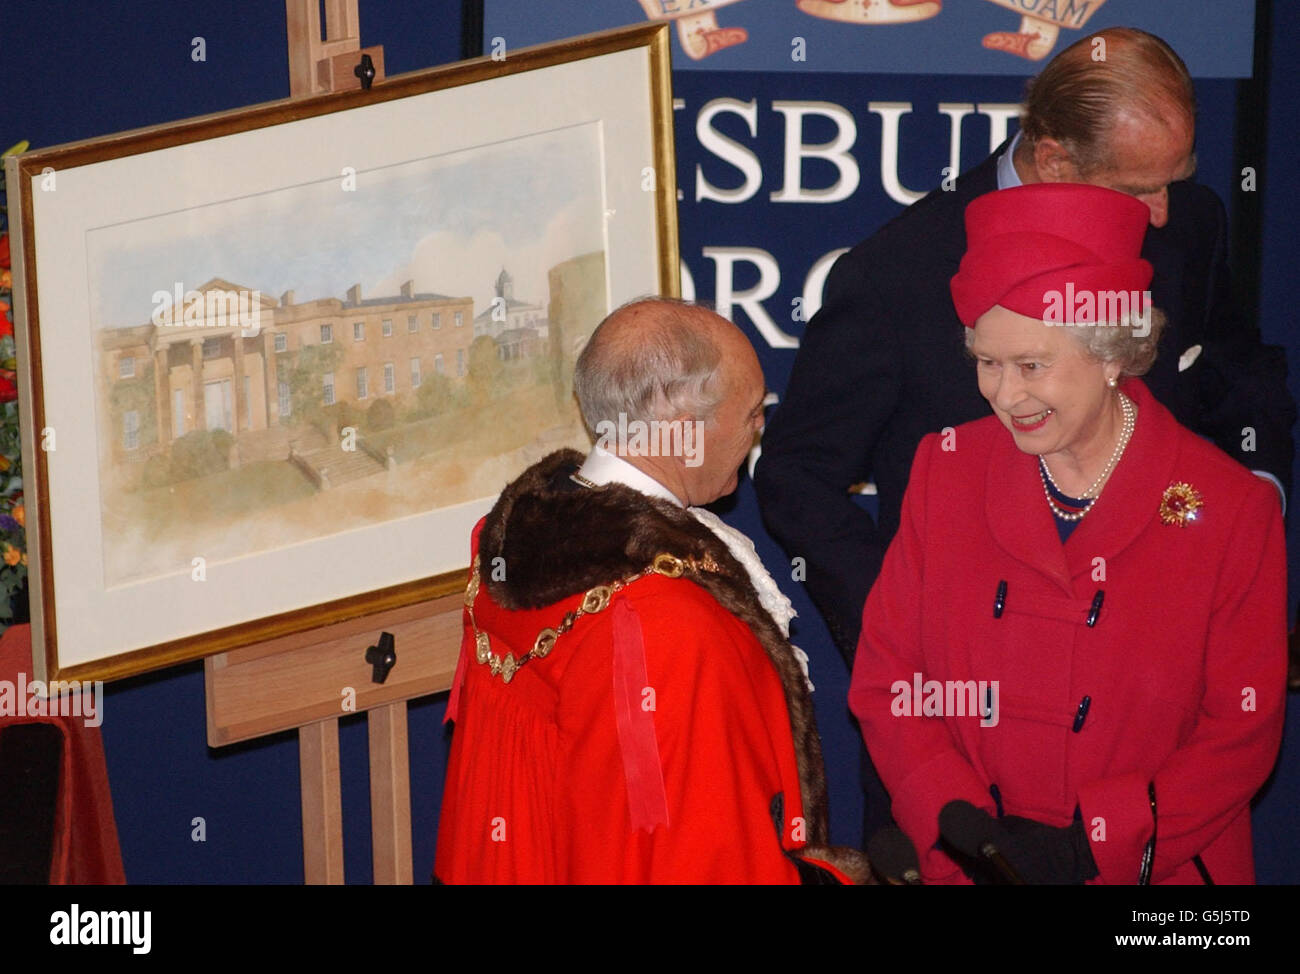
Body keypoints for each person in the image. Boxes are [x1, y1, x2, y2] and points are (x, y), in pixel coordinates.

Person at [756, 27, 1293, 668]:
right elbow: (797, 476)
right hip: (975, 688)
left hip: (1156, 662)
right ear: (1056, 161)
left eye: (1173, 180)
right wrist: (909, 629)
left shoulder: (1192, 223)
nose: (1161, 213)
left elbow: (1238, 370)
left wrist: (1256, 501)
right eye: (1137, 189)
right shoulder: (896, 277)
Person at [848, 183, 1286, 884]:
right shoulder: (946, 470)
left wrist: (1095, 845)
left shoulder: (1226, 510)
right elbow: (889, 680)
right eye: (987, 363)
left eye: (1031, 365)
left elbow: (1240, 733)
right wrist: (959, 819)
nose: (1003, 393)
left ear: (1113, 354)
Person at [434, 297, 868, 884]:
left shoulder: (509, 540)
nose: (759, 432)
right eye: (751, 415)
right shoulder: (669, 619)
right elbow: (700, 854)